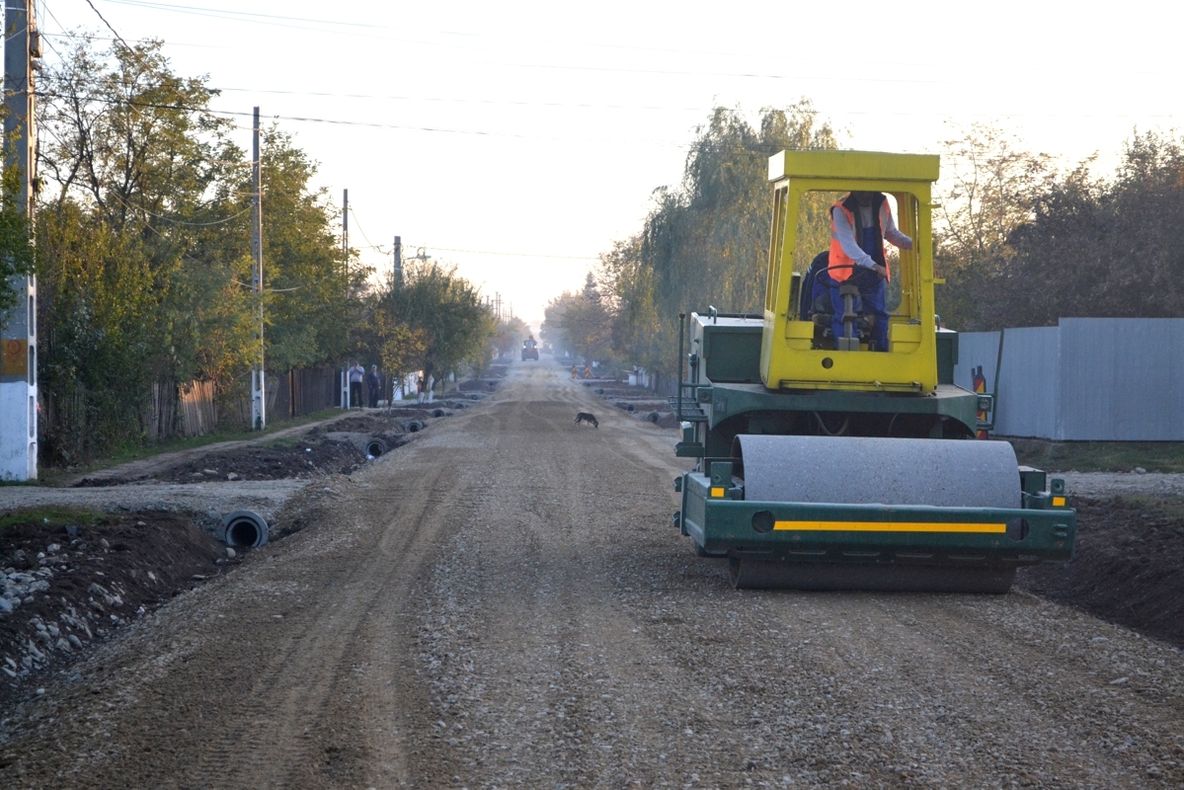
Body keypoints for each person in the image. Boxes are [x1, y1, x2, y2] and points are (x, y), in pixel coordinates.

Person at [827, 191, 912, 351]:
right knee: (845, 318)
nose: (865, 196)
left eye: (868, 192)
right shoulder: (841, 210)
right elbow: (849, 246)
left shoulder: (882, 203)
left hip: (872, 275)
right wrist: (874, 266)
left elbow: (890, 233)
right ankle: (846, 359)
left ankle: (880, 355)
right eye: (861, 192)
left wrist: (914, 244)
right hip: (844, 273)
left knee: (880, 316)